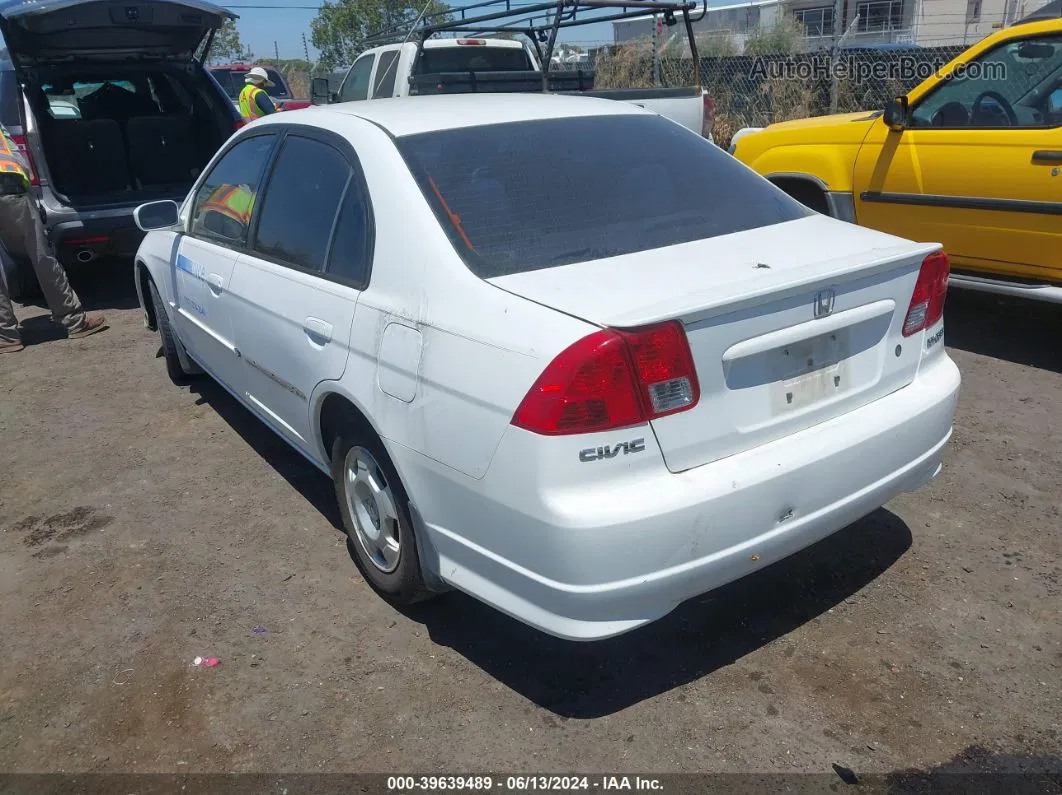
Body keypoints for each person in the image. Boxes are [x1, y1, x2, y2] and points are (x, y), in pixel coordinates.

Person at [0, 125, 105, 354]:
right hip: (10, 191)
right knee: (41, 257)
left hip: (9, 190)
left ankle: (6, 336)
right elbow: (20, 159)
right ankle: (74, 321)